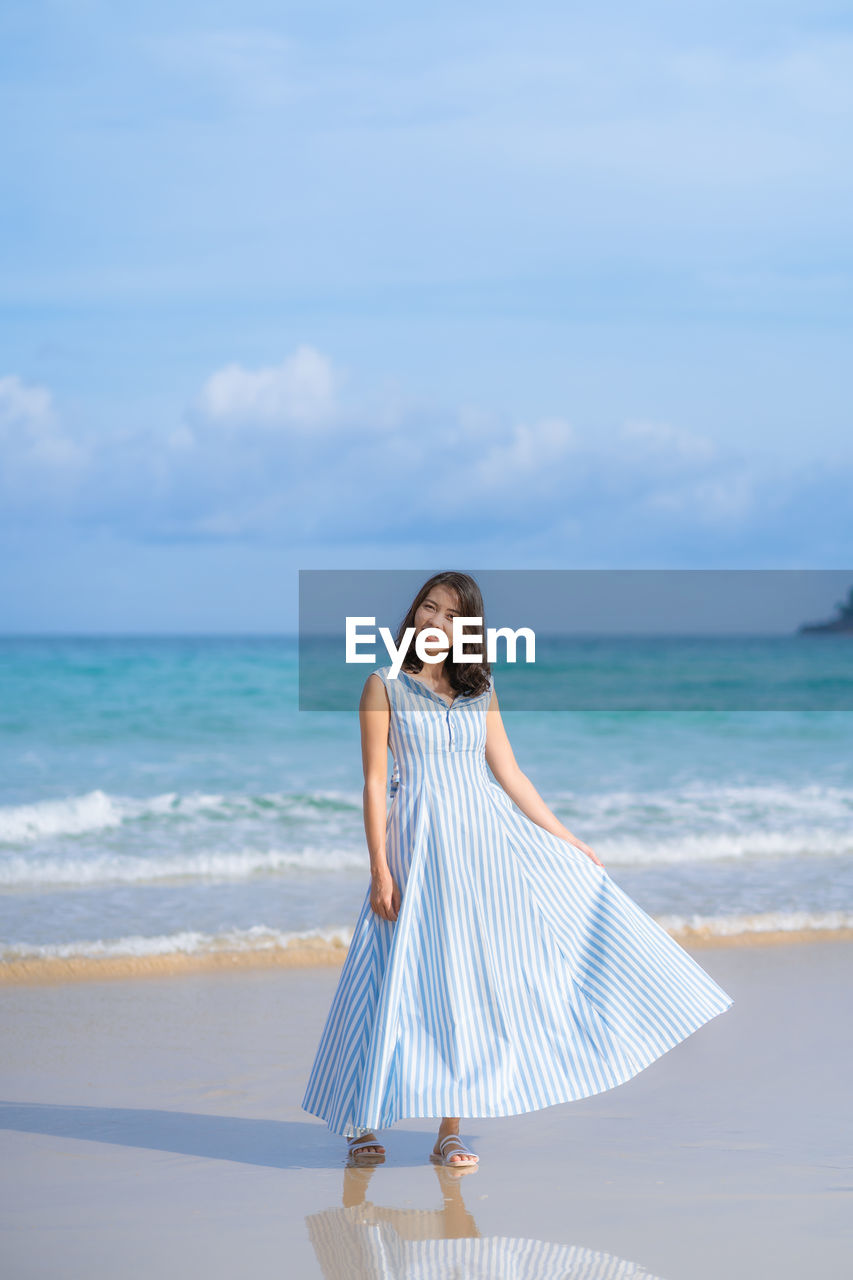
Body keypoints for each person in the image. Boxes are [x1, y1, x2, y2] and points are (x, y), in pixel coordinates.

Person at [301, 571, 734, 1167]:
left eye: (451, 615)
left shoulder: (481, 691)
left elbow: (511, 774)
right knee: (392, 975)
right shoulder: (383, 685)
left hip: (482, 848)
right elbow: (376, 784)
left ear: (468, 630)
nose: (434, 621)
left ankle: (448, 1130)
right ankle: (362, 1120)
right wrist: (379, 868)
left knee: (464, 983)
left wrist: (567, 838)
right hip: (417, 847)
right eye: (428, 607)